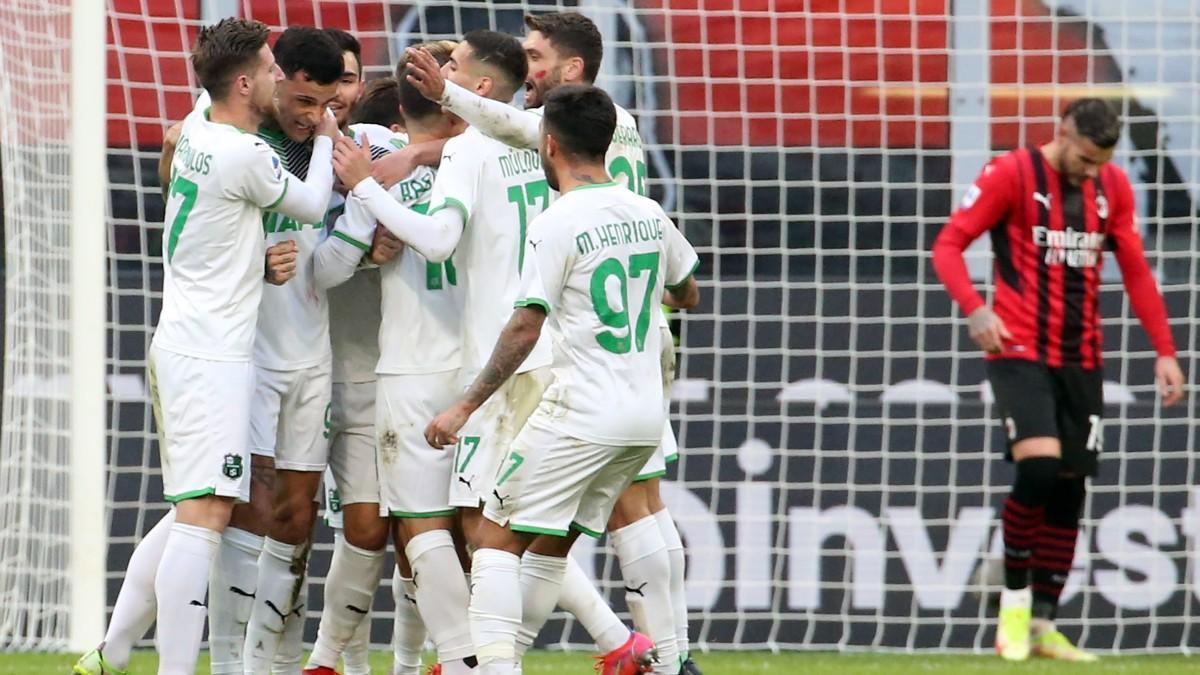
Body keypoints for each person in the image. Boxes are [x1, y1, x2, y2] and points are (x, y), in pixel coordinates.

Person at [404, 13, 697, 672]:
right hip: (636, 341)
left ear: (570, 71)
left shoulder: (592, 140)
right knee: (584, 525)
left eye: (534, 56)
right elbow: (688, 285)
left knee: (527, 529)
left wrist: (447, 99)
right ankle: (646, 654)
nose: (525, 67)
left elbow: (515, 128)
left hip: (587, 354)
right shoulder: (631, 177)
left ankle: (661, 656)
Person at [74, 17, 337, 675]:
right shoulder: (242, 153)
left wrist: (251, 257)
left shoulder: (198, 125)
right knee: (207, 514)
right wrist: (329, 137)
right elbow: (308, 203)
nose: (282, 79)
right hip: (209, 355)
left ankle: (109, 653)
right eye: (273, 71)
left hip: (193, 342)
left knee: (193, 507)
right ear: (245, 82)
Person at [932, 97, 1185, 662]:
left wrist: (1165, 351)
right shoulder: (1010, 173)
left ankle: (1045, 624)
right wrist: (975, 308)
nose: (1092, 171)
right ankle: (1013, 610)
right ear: (1063, 132)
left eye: (1102, 162)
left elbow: (1137, 272)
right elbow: (949, 245)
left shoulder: (1113, 187)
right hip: (1017, 347)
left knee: (1070, 488)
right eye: (1087, 158)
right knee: (1040, 464)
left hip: (1083, 356)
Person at [307, 41, 464, 675]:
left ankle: (410, 663)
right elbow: (322, 267)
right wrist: (362, 231)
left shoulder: (472, 160)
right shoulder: (350, 152)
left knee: (431, 536)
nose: (341, 94)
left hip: (445, 366)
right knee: (371, 531)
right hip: (358, 367)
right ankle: (328, 661)